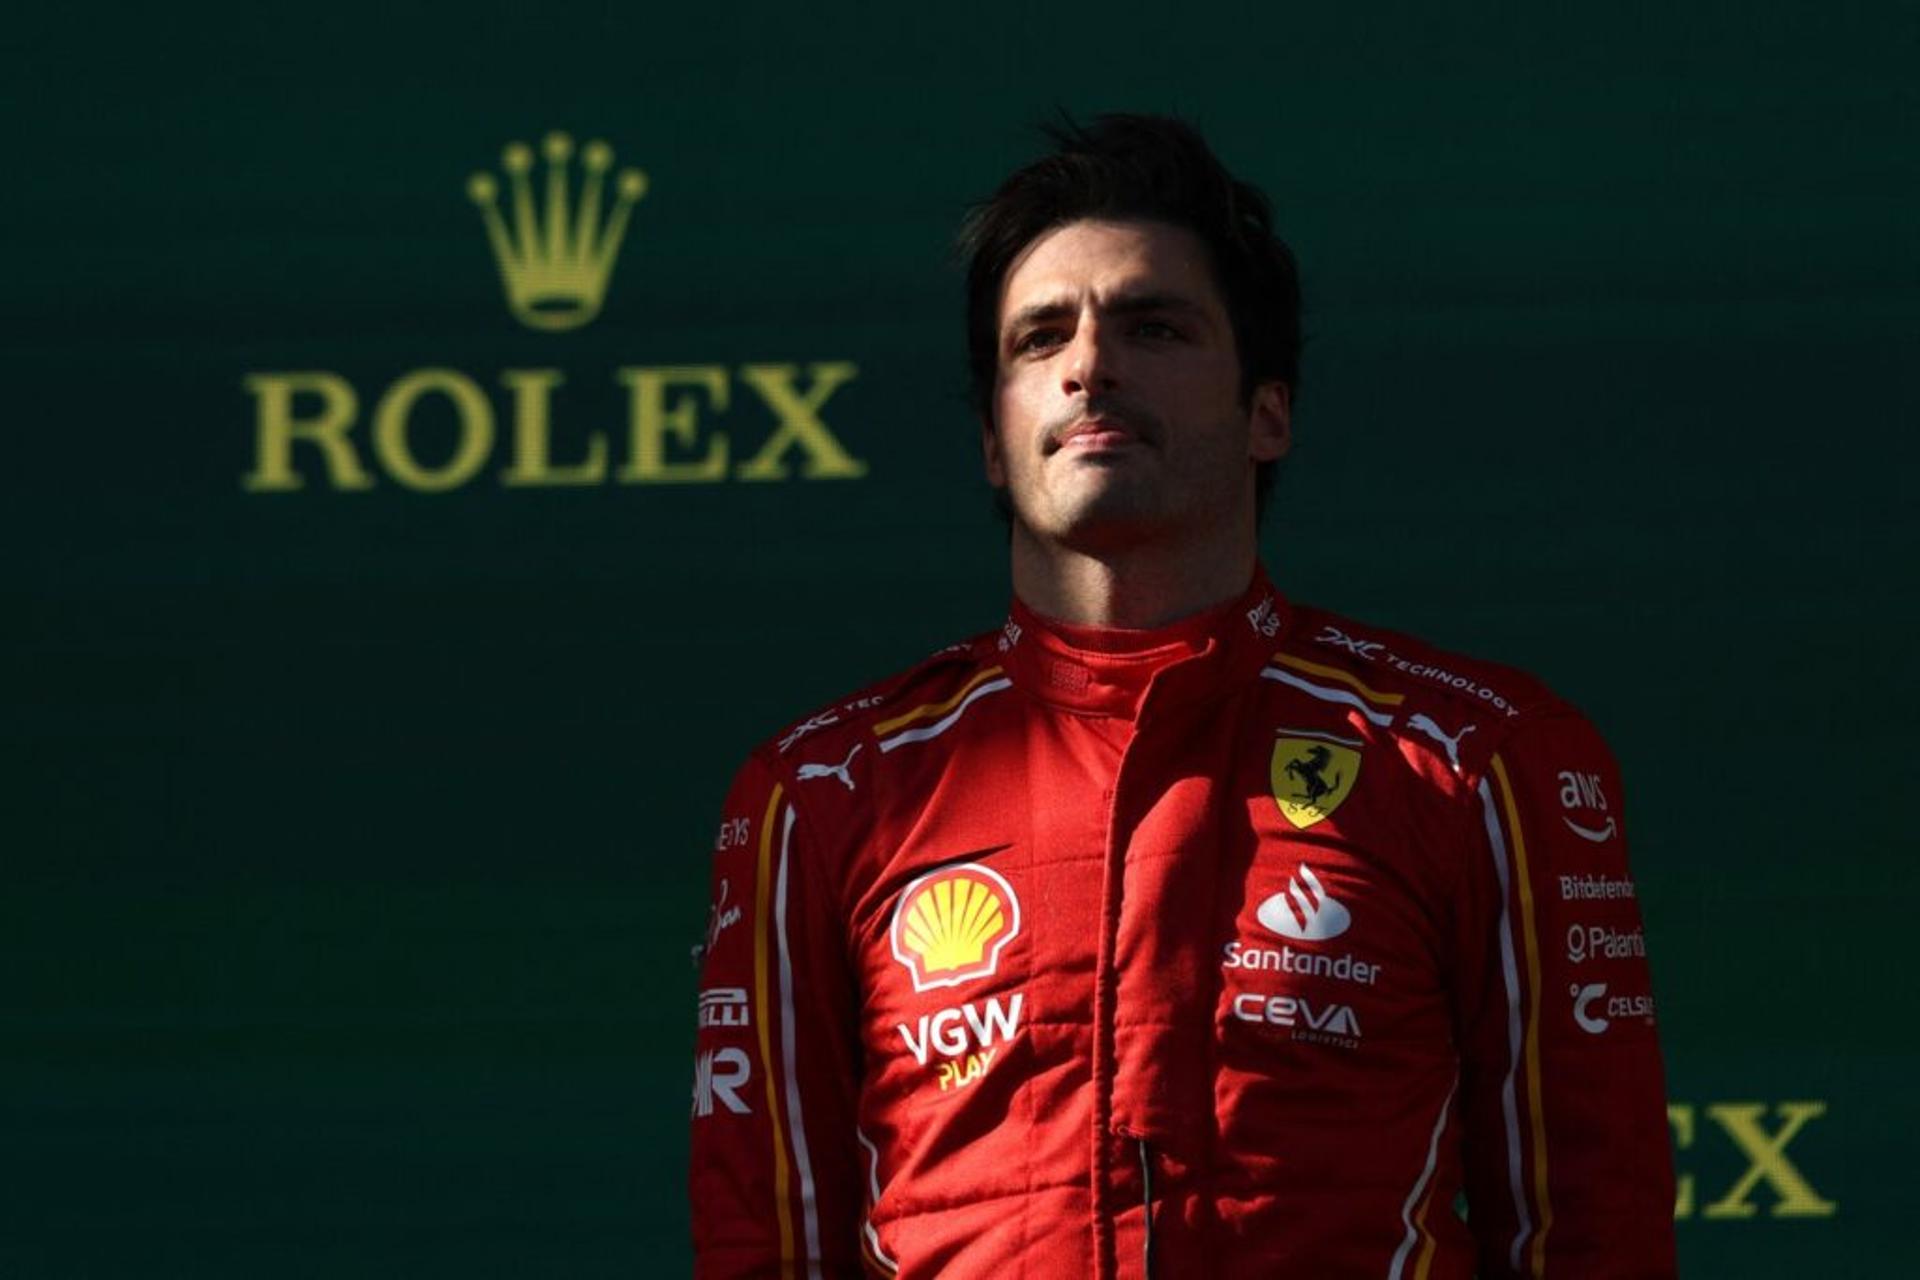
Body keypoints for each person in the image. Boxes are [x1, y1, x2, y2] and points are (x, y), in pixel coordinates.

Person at [688, 114, 1675, 1278]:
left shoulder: (1472, 756)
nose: (1089, 363)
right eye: (1039, 336)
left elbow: (1593, 1229)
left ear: (1271, 412)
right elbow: (767, 1239)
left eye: (1154, 326)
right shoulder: (822, 791)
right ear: (993, 444)